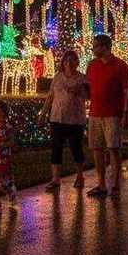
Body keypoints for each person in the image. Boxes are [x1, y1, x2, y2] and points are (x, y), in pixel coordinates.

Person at [86, 34, 128, 198]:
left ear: (105, 47)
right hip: (94, 113)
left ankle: (115, 184)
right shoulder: (92, 65)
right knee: (97, 148)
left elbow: (127, 89)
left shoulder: (120, 65)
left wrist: (126, 112)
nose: (93, 49)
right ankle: (101, 184)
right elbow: (88, 87)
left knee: (114, 148)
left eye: (96, 46)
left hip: (113, 114)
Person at [39, 50, 90, 191]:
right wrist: (43, 114)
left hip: (75, 120)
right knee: (56, 149)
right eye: (66, 60)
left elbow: (90, 95)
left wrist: (80, 90)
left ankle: (80, 176)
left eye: (72, 60)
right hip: (57, 118)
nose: (69, 63)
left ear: (77, 62)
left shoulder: (83, 78)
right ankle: (55, 179)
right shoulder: (57, 78)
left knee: (76, 149)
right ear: (63, 63)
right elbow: (50, 97)